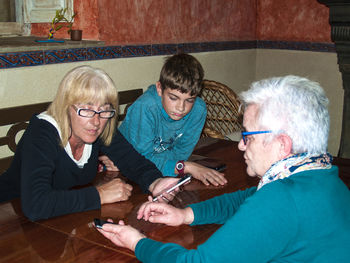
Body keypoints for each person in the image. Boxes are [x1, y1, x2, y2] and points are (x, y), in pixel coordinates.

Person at [97, 75, 350, 262]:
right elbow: (249, 199)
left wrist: (138, 243)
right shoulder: (324, 177)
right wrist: (185, 215)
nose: (241, 146)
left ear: (282, 144)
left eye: (248, 136)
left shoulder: (282, 201)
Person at [0, 65, 178, 221]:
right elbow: (36, 205)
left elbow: (132, 160)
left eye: (104, 110)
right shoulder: (42, 133)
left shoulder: (99, 125)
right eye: (86, 110)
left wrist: (156, 182)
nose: (96, 121)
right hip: (11, 216)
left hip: (60, 219)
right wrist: (99, 195)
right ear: (66, 106)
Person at [100, 53, 227, 186]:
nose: (181, 108)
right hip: (120, 171)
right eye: (173, 98)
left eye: (189, 100)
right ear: (159, 89)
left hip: (157, 174)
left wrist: (172, 164)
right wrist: (185, 167)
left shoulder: (198, 110)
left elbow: (182, 154)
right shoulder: (145, 107)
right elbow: (140, 161)